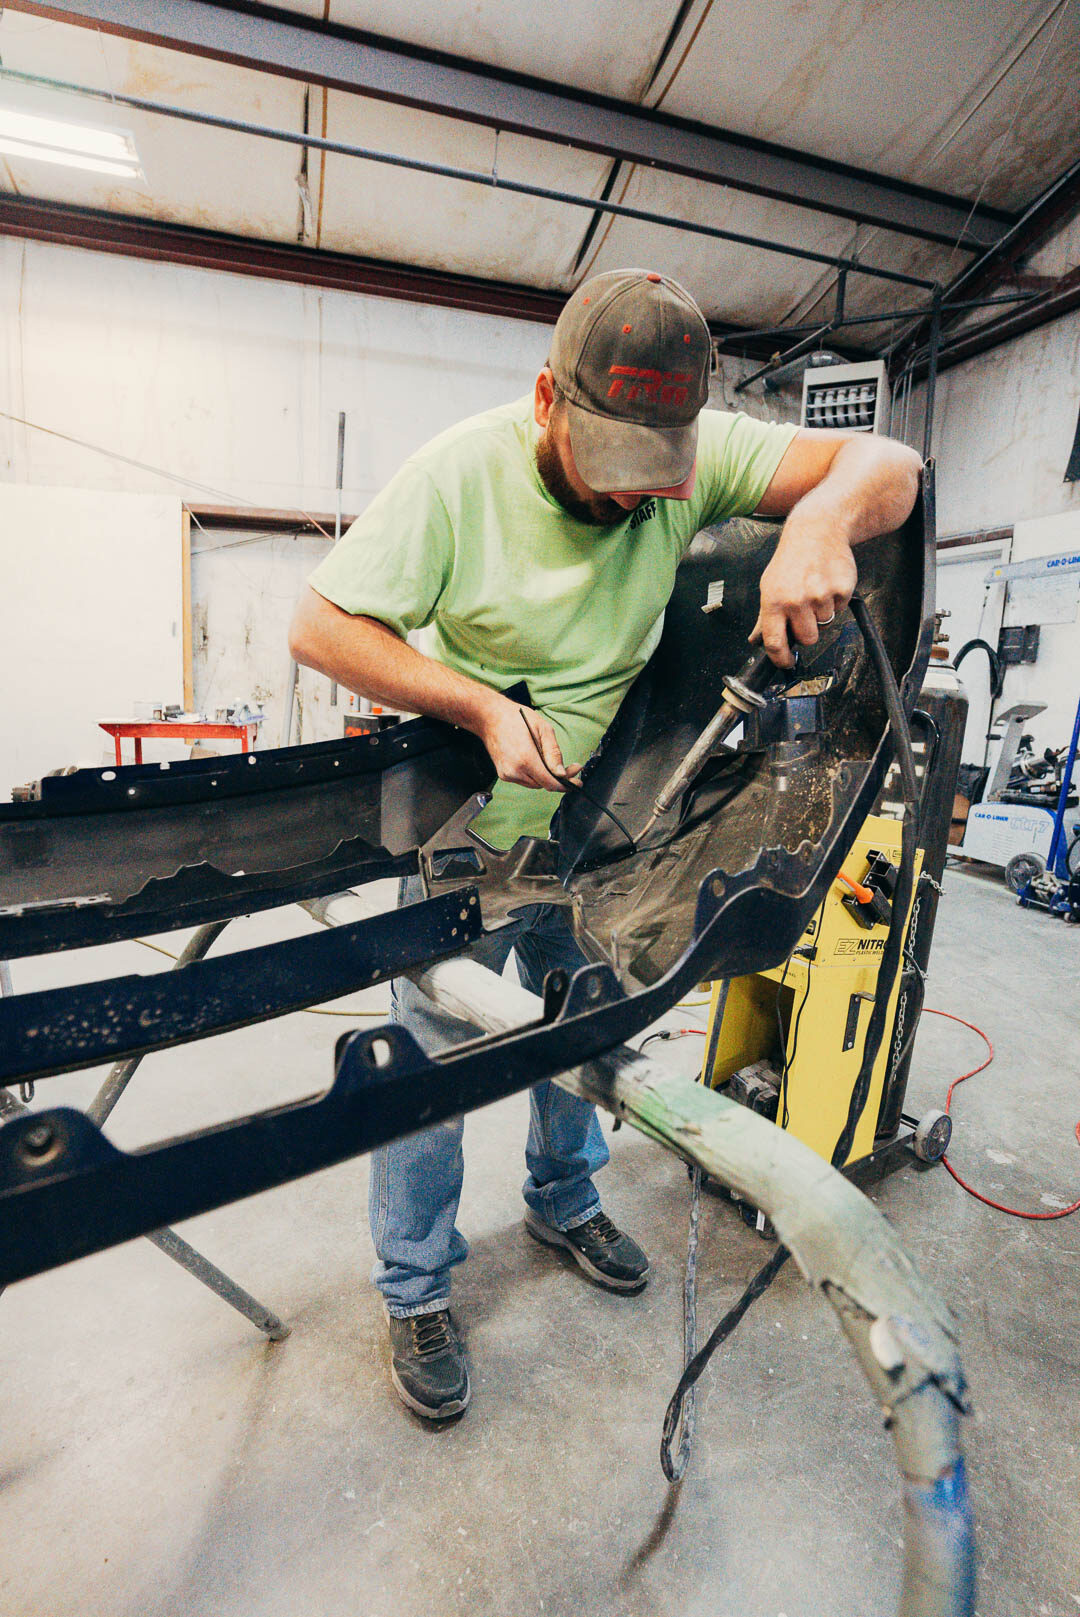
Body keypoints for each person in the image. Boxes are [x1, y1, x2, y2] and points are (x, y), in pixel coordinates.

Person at [289, 268, 921, 1420]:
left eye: (659, 477)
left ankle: (565, 1198)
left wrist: (821, 520)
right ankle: (417, 1284)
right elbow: (319, 624)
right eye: (613, 471)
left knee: (587, 1011)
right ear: (547, 400)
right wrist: (478, 706)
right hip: (464, 831)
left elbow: (895, 465)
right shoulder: (458, 477)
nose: (640, 504)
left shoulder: (688, 455)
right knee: (433, 1064)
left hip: (596, 828)